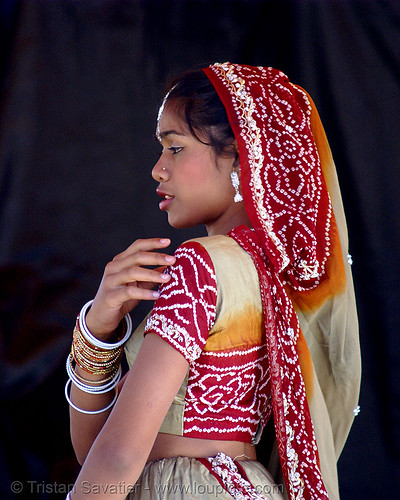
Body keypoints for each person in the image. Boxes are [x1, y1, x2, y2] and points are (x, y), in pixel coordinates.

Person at [65, 62, 361, 500]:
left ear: (243, 155)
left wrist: (96, 333)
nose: (158, 169)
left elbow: (115, 458)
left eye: (176, 148)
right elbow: (96, 455)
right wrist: (98, 332)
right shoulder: (273, 275)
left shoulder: (200, 265)